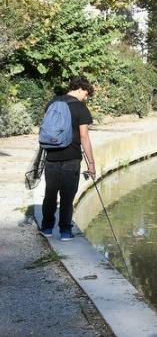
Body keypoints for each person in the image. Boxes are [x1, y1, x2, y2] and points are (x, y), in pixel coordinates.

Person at [40, 77, 96, 241]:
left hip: (51, 156)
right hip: (71, 157)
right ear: (80, 89)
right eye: (86, 94)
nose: (86, 98)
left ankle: (47, 228)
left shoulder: (52, 103)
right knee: (67, 196)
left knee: (50, 193)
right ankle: (65, 231)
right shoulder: (80, 108)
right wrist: (91, 164)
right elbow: (84, 137)